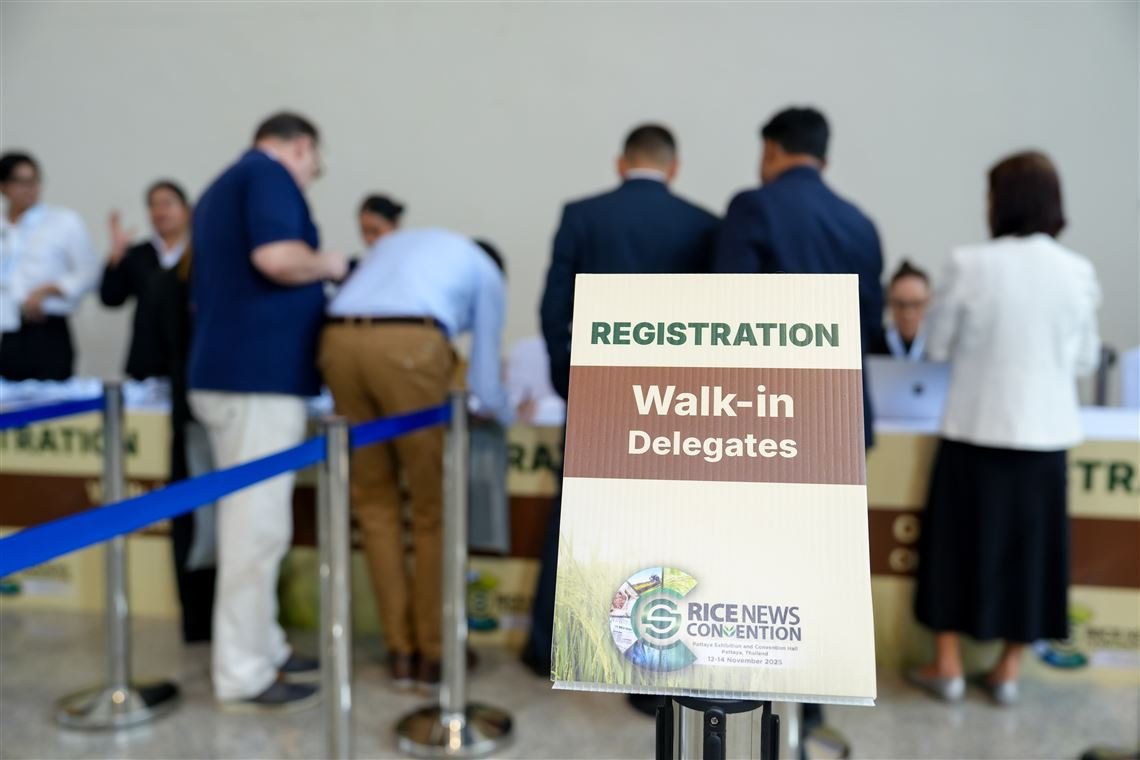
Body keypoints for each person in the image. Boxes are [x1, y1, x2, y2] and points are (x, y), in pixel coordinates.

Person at [531, 124, 719, 715]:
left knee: (575, 516)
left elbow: (553, 307)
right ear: (674, 167)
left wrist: (570, 380)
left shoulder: (582, 215)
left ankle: (548, 648)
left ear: (620, 163)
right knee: (663, 525)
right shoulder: (704, 225)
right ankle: (650, 665)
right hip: (674, 402)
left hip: (598, 388)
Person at [712, 106, 882, 747]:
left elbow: (727, 310)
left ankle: (763, 697)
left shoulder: (752, 206)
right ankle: (807, 705)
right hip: (838, 415)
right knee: (820, 564)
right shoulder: (859, 223)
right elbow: (869, 324)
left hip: (767, 418)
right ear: (824, 156)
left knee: (757, 564)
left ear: (771, 149)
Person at [908, 151, 1100, 706]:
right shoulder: (1077, 271)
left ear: (1001, 201)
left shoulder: (969, 264)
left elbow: (937, 346)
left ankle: (946, 665)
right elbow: (1085, 359)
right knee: (1032, 557)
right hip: (1045, 438)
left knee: (953, 548)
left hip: (974, 429)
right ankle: (1008, 671)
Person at [188, 112, 347, 713]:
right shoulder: (268, 175)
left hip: (239, 375)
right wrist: (331, 264)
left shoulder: (225, 184)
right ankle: (242, 670)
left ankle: (266, 645)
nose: (309, 178)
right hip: (254, 382)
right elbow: (278, 258)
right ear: (301, 147)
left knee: (261, 527)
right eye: (314, 167)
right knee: (253, 532)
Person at [320, 227, 511, 692]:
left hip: (336, 343)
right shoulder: (486, 273)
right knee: (431, 511)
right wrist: (506, 416)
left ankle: (400, 651)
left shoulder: (409, 246)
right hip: (408, 348)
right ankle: (435, 653)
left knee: (375, 506)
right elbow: (485, 384)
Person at [152, 245, 216, 643]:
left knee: (197, 524)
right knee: (207, 526)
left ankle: (199, 621)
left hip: (188, 411)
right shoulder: (206, 283)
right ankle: (205, 621)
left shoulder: (170, 281)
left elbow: (145, 357)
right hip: (204, 418)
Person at [0, 152, 99, 380]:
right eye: (21, 182)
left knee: (53, 397)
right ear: (4, 186)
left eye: (34, 180)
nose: (30, 188)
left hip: (47, 328)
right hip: (7, 327)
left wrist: (49, 290)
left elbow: (90, 272)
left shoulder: (63, 222)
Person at [99, 180, 192, 380]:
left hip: (189, 357)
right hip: (146, 359)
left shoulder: (198, 253)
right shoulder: (138, 254)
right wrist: (116, 257)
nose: (160, 212)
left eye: (167, 203)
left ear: (186, 210)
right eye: (153, 205)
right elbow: (111, 298)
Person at [870, 260, 931, 360]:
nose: (908, 314)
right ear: (889, 303)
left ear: (928, 302)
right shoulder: (871, 345)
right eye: (900, 304)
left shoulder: (939, 349)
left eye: (916, 304)